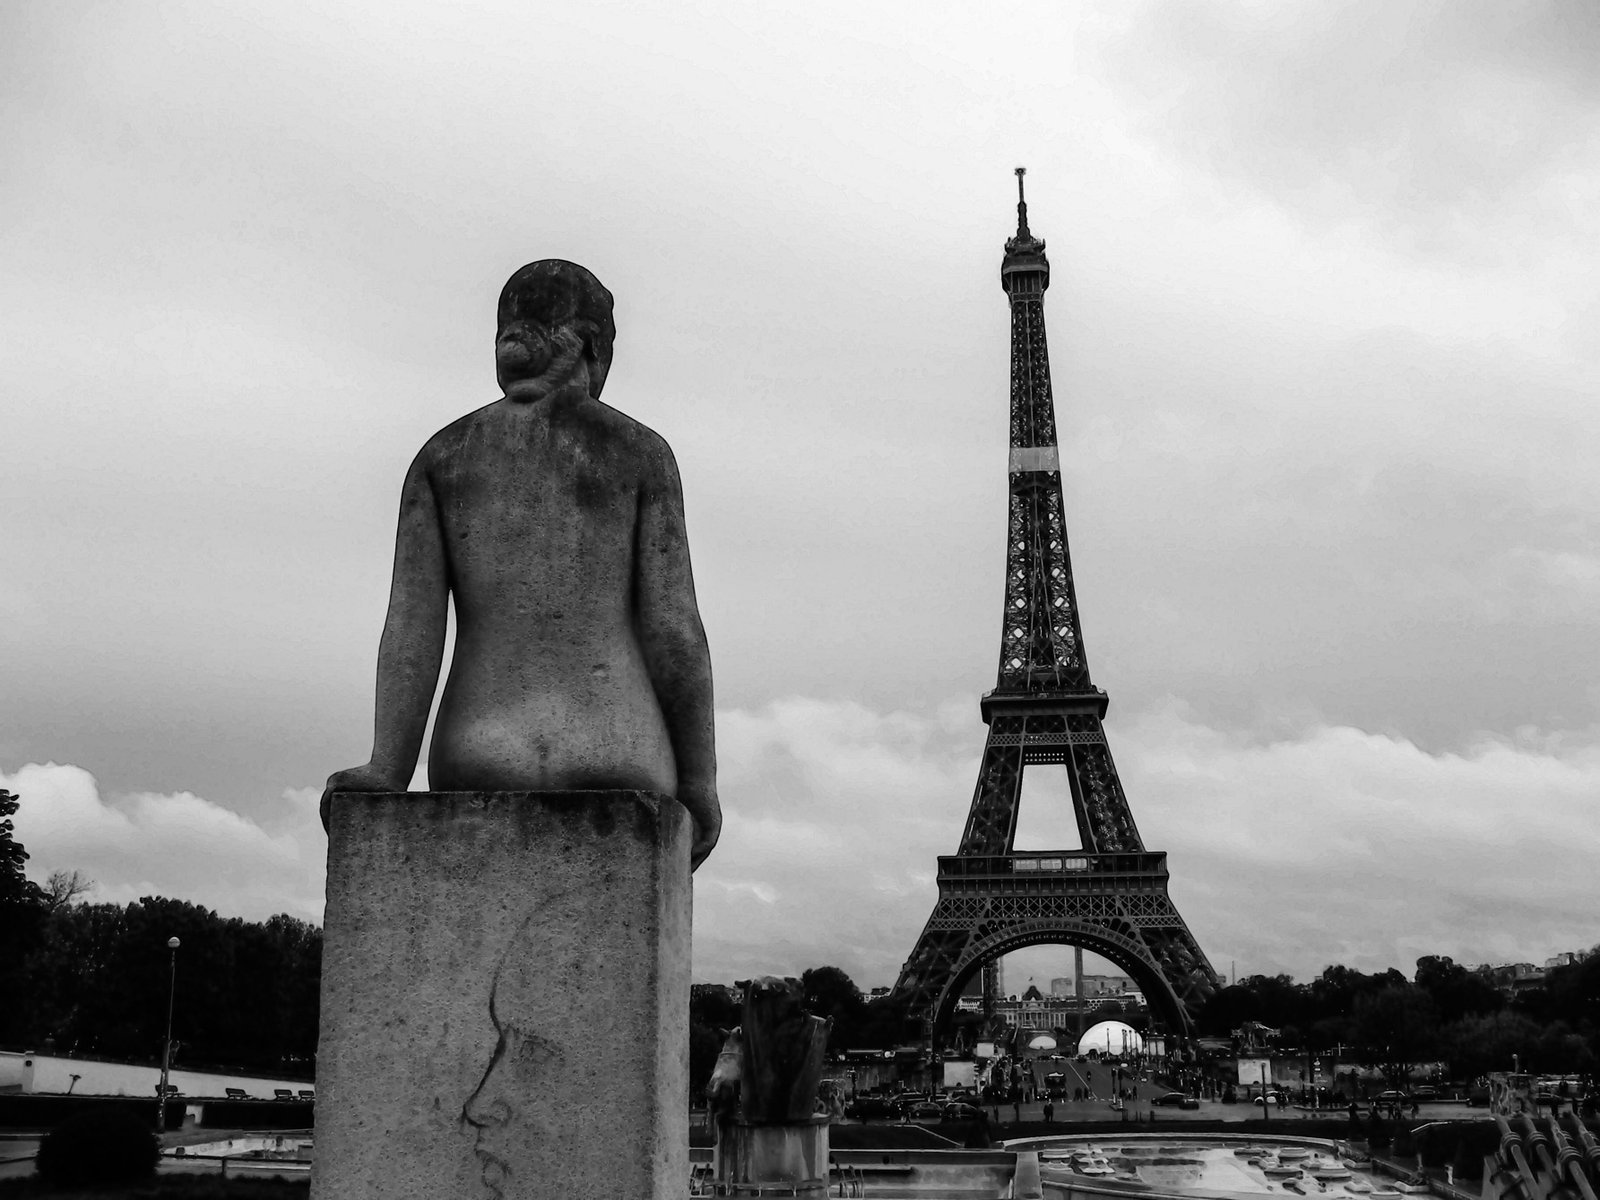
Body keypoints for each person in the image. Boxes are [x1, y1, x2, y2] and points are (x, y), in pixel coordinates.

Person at [322, 260, 720, 869]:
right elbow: (674, 630)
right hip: (617, 743)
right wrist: (700, 783)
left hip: (477, 749)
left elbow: (413, 627)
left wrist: (387, 770)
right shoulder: (640, 454)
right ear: (592, 345)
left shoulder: (443, 456)